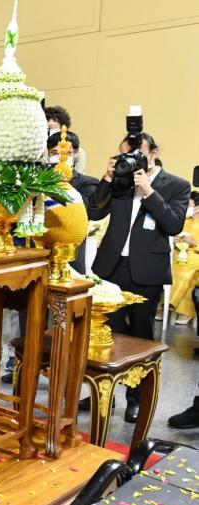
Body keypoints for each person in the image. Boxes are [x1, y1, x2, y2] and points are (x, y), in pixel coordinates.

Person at [86, 132, 190, 422]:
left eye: (135, 154)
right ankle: (102, 391)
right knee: (106, 333)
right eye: (123, 155)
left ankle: (135, 398)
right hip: (111, 267)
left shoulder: (177, 185)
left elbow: (173, 224)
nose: (128, 160)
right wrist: (108, 178)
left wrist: (148, 190)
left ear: (153, 153)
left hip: (147, 271)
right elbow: (94, 211)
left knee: (140, 336)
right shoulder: (119, 181)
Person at [46, 130, 98, 273]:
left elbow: (84, 211)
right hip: (40, 249)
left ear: (75, 153)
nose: (59, 157)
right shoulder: (38, 181)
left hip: (70, 253)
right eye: (54, 153)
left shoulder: (87, 183)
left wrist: (60, 183)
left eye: (66, 153)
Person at [167, 192, 199, 326]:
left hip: (196, 257)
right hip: (179, 254)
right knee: (166, 271)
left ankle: (178, 308)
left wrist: (195, 243)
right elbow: (174, 235)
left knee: (186, 274)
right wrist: (175, 240)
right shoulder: (185, 221)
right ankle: (165, 305)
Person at [45, 105, 87, 173]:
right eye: (45, 128)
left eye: (51, 127)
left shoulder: (78, 153)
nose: (47, 131)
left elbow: (79, 176)